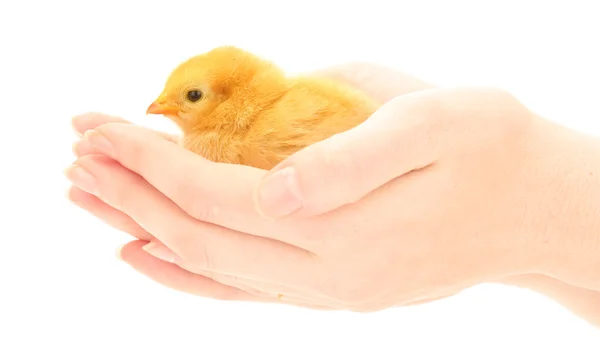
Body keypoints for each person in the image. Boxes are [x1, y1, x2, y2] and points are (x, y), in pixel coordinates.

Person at [65, 63, 600, 326]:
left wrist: (521, 197)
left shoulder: (270, 121)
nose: (159, 107)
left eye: (191, 97)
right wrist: (509, 240)